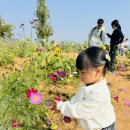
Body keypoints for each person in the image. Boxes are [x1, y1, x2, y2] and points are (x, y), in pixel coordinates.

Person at [55, 47, 116, 130]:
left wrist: (62, 106)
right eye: (79, 72)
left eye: (83, 72)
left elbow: (81, 111)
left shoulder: (100, 93)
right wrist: (64, 109)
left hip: (102, 127)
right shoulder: (87, 84)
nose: (80, 76)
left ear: (98, 71)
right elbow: (77, 99)